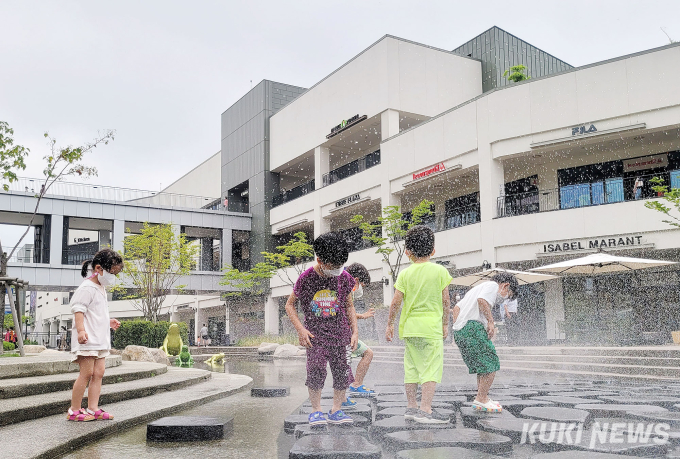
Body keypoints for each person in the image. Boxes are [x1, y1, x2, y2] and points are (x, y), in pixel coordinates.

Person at [285, 232, 358, 427]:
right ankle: (316, 410)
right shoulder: (306, 278)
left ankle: (336, 409)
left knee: (342, 371)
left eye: (340, 266)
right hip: (315, 335)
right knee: (316, 370)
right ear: (320, 260)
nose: (338, 270)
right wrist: (300, 329)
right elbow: (289, 305)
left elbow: (349, 306)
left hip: (340, 334)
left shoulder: (345, 277)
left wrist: (355, 332)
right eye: (333, 267)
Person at [386, 225, 452, 424]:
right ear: (433, 250)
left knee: (412, 367)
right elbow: (446, 300)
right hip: (430, 327)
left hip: (410, 328)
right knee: (431, 368)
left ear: (407, 252)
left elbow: (396, 302)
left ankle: (411, 406)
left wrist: (389, 324)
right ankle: (425, 410)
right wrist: (445, 324)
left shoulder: (405, 274)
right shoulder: (440, 271)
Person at [67, 248, 123, 422]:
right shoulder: (87, 287)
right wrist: (81, 331)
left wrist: (108, 322)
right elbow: (78, 310)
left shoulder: (101, 287)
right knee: (86, 373)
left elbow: (95, 313)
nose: (113, 276)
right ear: (99, 269)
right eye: (112, 272)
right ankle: (74, 410)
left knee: (99, 373)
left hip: (99, 340)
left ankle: (92, 408)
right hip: (88, 340)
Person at [452, 272, 518, 413]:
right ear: (506, 286)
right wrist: (490, 321)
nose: (505, 299)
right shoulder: (492, 286)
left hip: (461, 330)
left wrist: (459, 326)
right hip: (473, 327)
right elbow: (482, 301)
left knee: (483, 365)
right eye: (508, 294)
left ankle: (482, 397)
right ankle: (481, 399)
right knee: (491, 362)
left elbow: (457, 308)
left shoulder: (476, 289)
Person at [344, 263, 376, 399]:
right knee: (366, 354)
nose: (361, 288)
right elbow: (345, 312)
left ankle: (352, 388)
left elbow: (347, 311)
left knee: (345, 362)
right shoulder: (347, 289)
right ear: (356, 280)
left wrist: (361, 316)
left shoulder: (344, 286)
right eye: (362, 284)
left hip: (343, 332)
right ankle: (352, 388)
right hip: (343, 333)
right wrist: (362, 315)